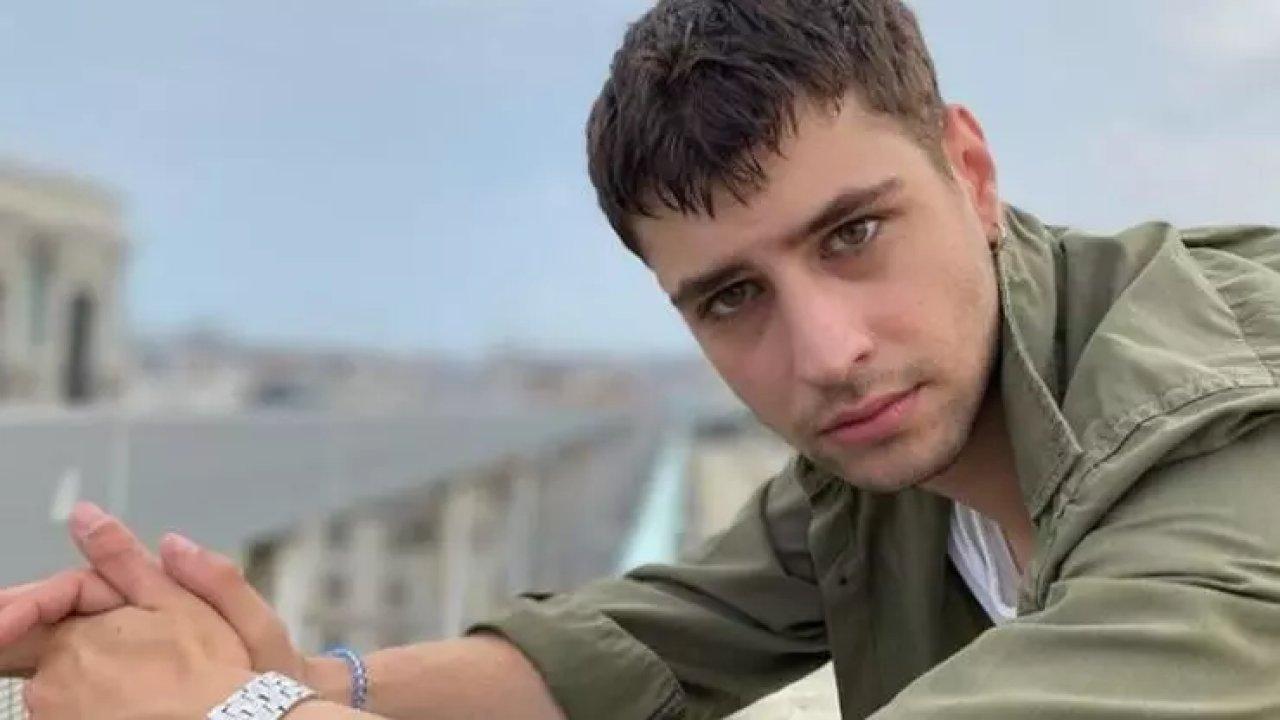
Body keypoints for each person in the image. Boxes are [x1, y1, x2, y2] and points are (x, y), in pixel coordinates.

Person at [4, 0, 1280, 717]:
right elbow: (637, 647)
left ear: (971, 170)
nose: (826, 352)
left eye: (853, 234)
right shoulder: (900, 452)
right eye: (730, 298)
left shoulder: (1220, 433)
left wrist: (233, 718)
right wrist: (298, 679)